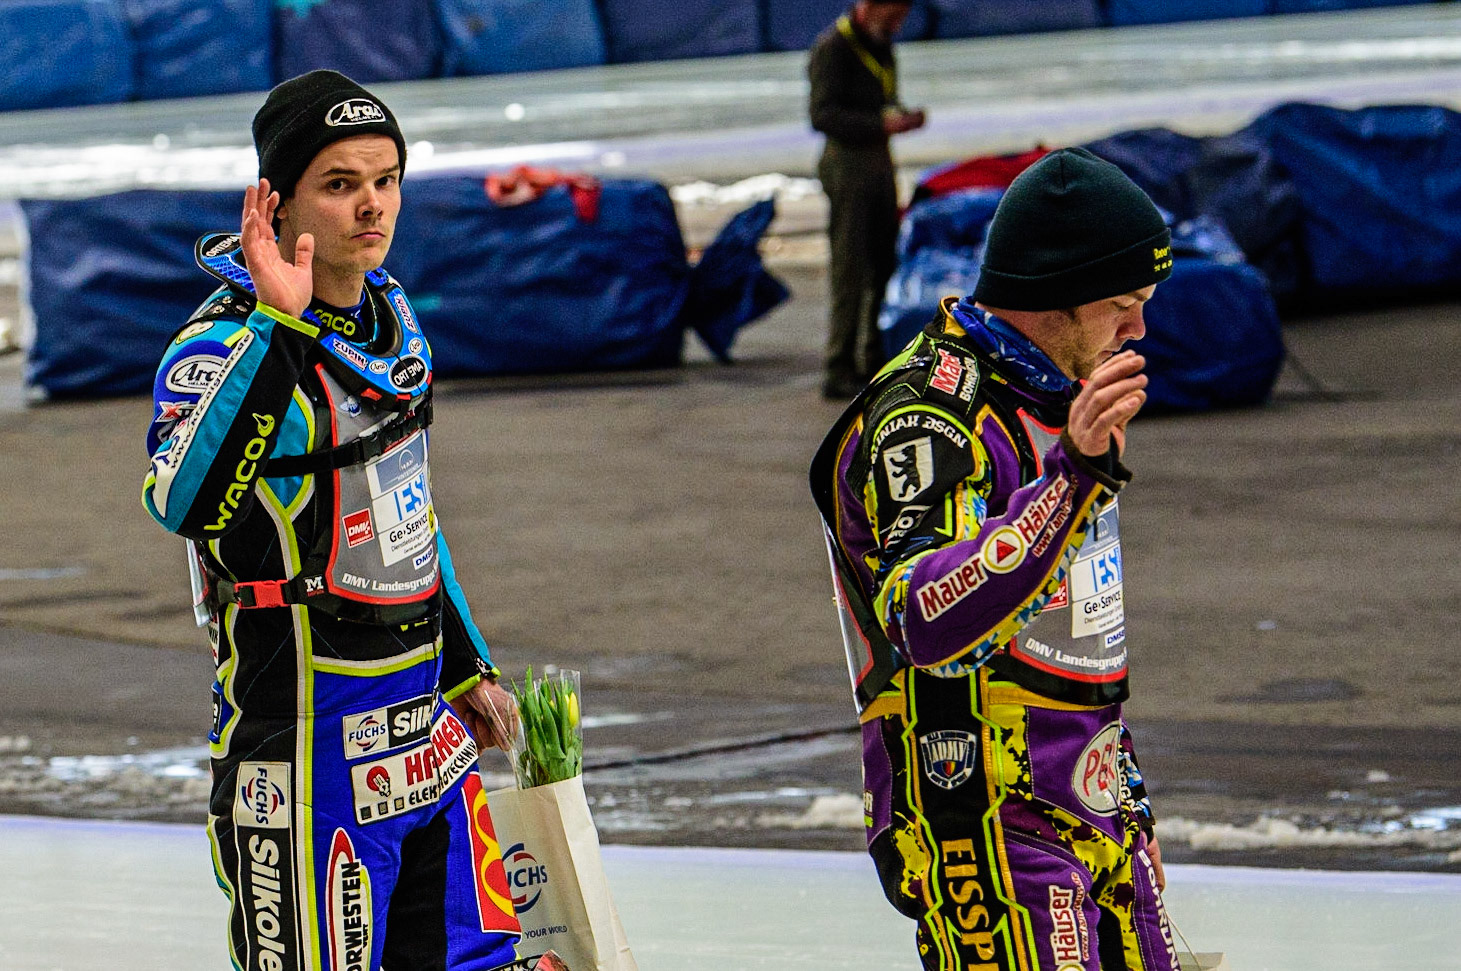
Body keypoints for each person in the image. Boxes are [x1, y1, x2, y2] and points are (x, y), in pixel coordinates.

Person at [142, 70, 526, 970]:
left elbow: (409, 510)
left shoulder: (391, 319)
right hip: (303, 742)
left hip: (424, 730)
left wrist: (468, 663)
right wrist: (280, 329)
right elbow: (182, 502)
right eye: (340, 184)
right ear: (275, 201)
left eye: (385, 180)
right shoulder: (218, 343)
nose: (372, 207)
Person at [810, 148, 1182, 970]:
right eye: (1123, 305)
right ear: (1058, 292)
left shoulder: (1049, 399)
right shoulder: (928, 417)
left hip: (1089, 802)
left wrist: (1131, 802)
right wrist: (1073, 479)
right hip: (984, 816)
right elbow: (925, 619)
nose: (1138, 330)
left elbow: (1080, 628)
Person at [809, 0, 927, 400]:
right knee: (850, 268)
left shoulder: (882, 43)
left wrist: (899, 118)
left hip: (878, 163)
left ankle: (876, 358)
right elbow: (822, 115)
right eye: (894, 14)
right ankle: (838, 365)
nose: (899, 23)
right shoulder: (833, 49)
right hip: (848, 167)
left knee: (884, 263)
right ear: (870, 6)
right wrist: (879, 124)